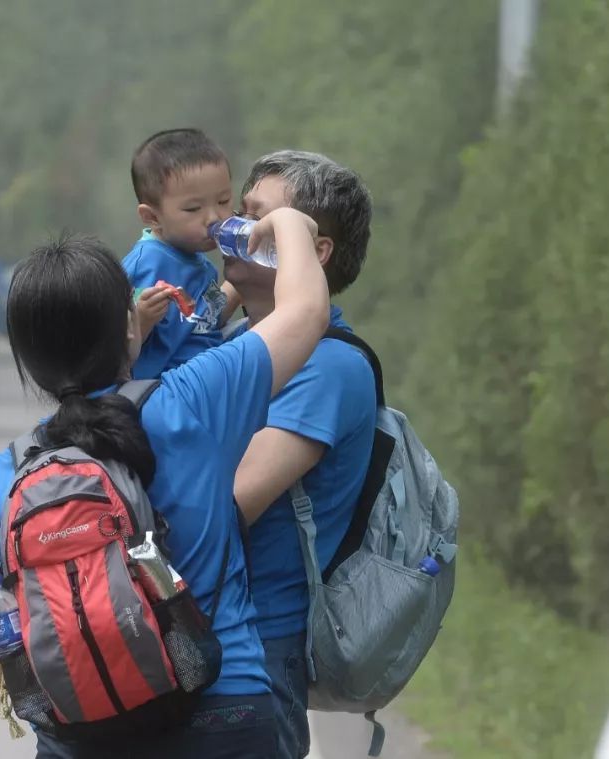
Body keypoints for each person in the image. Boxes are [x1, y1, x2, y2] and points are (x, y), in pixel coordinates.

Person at [0, 206, 329, 758]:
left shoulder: (9, 472)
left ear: (27, 361)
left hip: (80, 735)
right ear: (129, 325)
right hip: (223, 713)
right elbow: (306, 310)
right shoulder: (194, 398)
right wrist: (289, 222)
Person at [230, 151, 377, 758]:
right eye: (238, 215)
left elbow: (230, 500)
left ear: (312, 250)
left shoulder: (329, 368)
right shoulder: (242, 342)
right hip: (211, 634)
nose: (231, 233)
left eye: (258, 221)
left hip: (255, 648)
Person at [122, 129, 243, 380]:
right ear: (153, 217)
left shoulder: (196, 259)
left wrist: (246, 275)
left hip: (206, 381)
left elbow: (210, 318)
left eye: (223, 201)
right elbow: (104, 351)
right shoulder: (145, 265)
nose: (214, 217)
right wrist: (141, 321)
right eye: (193, 208)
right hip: (161, 393)